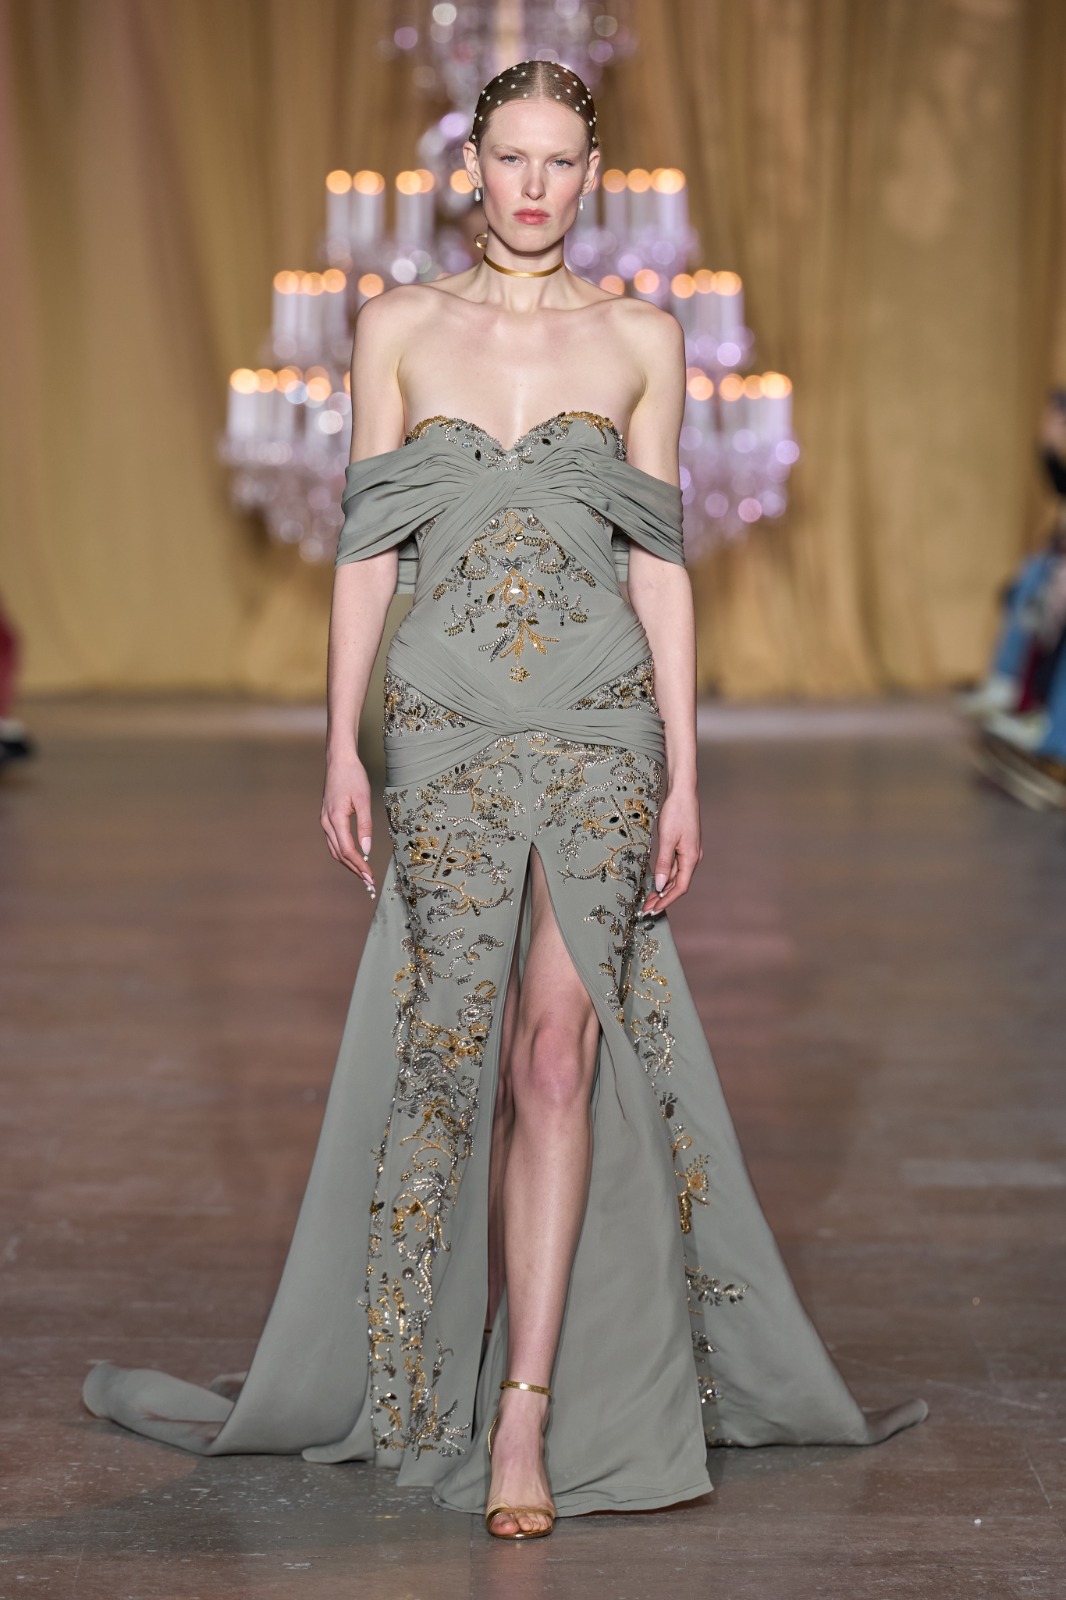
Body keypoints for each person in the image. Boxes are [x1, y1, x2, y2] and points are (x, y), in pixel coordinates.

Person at [82, 60, 926, 1540]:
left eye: (560, 163)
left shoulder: (641, 338)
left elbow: (661, 567)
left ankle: (526, 1408)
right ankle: (427, 1371)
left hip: (601, 722)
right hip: (445, 722)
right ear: (469, 165)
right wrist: (338, 743)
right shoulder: (397, 328)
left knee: (553, 1057)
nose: (535, 188)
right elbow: (365, 552)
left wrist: (685, 766)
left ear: (593, 175)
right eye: (512, 159)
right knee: (447, 1051)